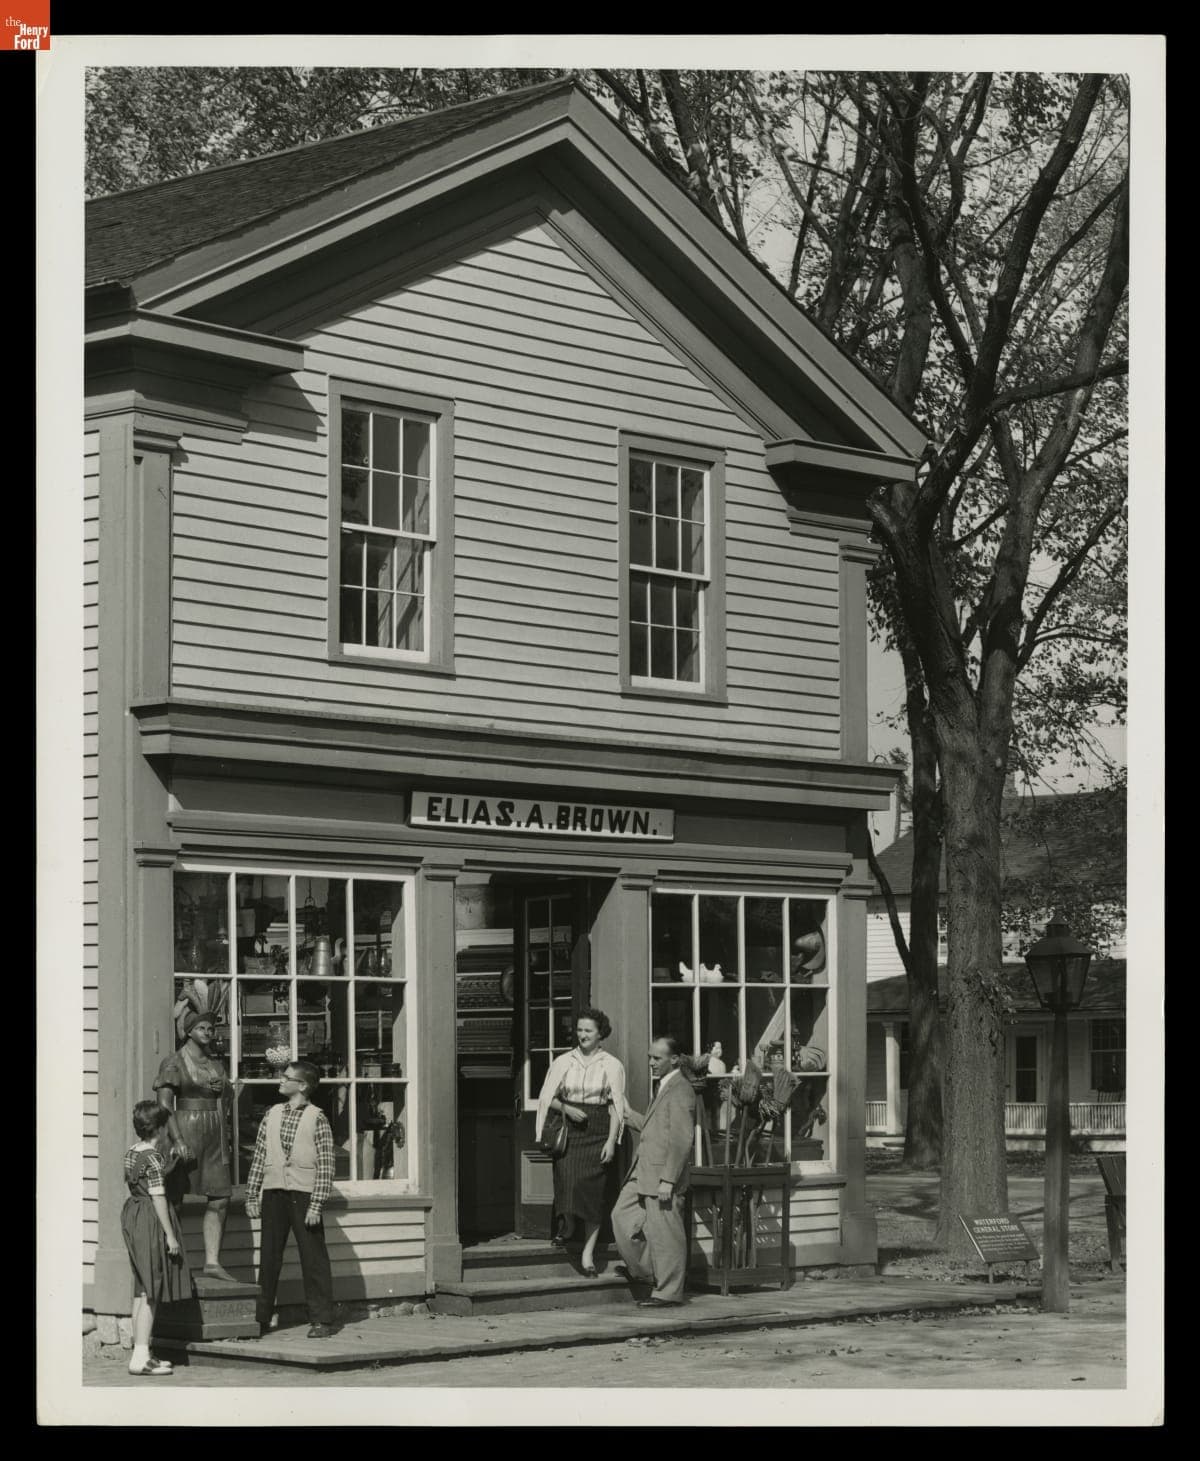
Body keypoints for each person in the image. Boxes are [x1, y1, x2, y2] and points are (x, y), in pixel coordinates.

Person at [244, 1059, 340, 1339]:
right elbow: (260, 1156)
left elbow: (326, 1163)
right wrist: (252, 1195)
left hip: (305, 1195)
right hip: (274, 1193)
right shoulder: (272, 1113)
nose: (280, 1080)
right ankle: (262, 1317)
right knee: (269, 1257)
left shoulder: (317, 1118)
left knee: (313, 1259)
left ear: (303, 1085)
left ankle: (321, 1319)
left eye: (287, 1077)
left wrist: (317, 1203)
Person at [534, 1008, 626, 1276]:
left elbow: (617, 1107)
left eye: (589, 1030)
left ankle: (588, 1253)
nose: (583, 1035)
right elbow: (546, 1097)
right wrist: (566, 1109)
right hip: (570, 1129)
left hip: (598, 1130)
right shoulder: (563, 1061)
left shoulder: (612, 1064)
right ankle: (569, 1224)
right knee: (568, 1181)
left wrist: (611, 1141)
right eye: (580, 1029)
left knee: (594, 1194)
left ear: (601, 1034)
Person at [611, 1035, 698, 1307]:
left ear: (674, 1060)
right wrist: (628, 1113)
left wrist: (668, 1180)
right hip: (643, 1171)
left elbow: (681, 1139)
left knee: (666, 1234)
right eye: (649, 1057)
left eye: (656, 1058)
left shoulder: (682, 1089)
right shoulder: (663, 1087)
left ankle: (668, 1293)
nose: (650, 1062)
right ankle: (646, 1272)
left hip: (663, 1177)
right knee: (621, 1217)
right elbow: (654, 1129)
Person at [154, 1009, 237, 1281]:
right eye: (202, 1028)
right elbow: (164, 1104)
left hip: (214, 1132)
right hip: (186, 1128)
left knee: (220, 1197)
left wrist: (223, 1087)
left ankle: (212, 1261)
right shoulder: (174, 1062)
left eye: (211, 1028)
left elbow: (230, 1095)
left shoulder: (216, 1064)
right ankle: (172, 1257)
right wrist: (177, 1140)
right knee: (175, 1196)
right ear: (188, 1031)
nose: (208, 1032)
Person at [120, 1100, 192, 1376]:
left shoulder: (133, 1151)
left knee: (142, 1287)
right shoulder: (153, 1157)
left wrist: (169, 1164)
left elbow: (141, 1181)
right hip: (151, 1218)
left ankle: (142, 1352)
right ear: (160, 1129)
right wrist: (171, 1236)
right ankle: (139, 1357)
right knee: (152, 1288)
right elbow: (158, 1196)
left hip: (133, 1214)